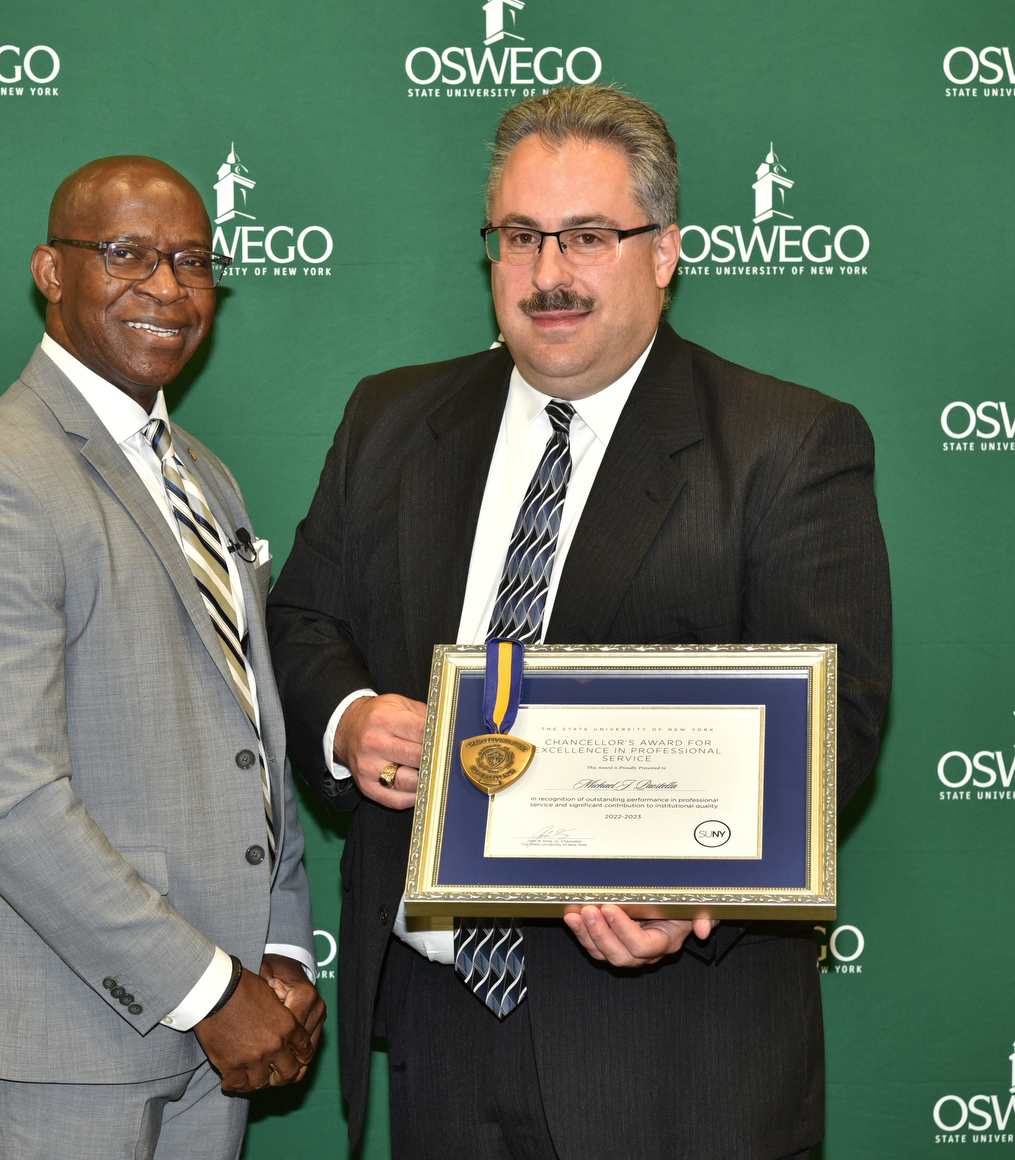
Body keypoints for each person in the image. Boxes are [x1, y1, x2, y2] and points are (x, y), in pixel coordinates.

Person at [268, 86, 891, 1160]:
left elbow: (836, 731)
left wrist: (686, 899)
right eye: (521, 236)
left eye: (590, 236)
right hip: (440, 1029)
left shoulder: (786, 444)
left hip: (669, 1057)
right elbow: (303, 620)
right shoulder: (390, 418)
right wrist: (350, 717)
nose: (549, 273)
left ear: (664, 253)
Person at [0, 156, 324, 1160]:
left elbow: (250, 735)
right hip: (62, 1030)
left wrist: (282, 947)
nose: (169, 287)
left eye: (193, 261)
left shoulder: (203, 473)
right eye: (128, 253)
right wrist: (214, 989)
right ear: (51, 271)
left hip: (219, 1021)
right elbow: (6, 800)